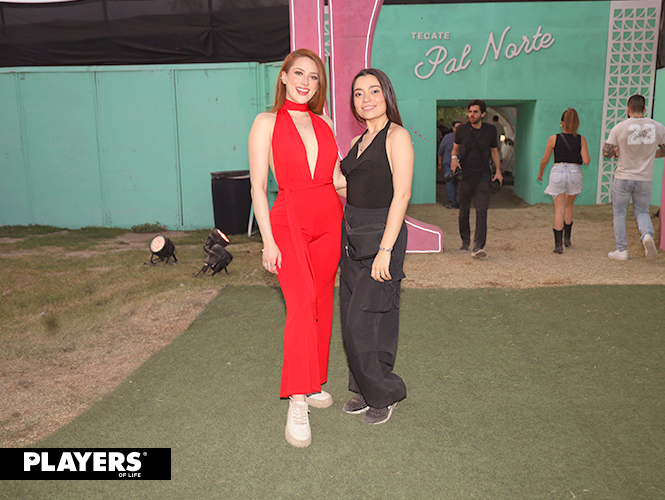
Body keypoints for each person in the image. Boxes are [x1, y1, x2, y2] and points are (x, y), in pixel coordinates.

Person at [248, 48, 346, 448]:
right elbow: (258, 187)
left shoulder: (325, 123)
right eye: (299, 73)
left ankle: (314, 380)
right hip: (288, 220)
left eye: (314, 77)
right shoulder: (266, 122)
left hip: (330, 219)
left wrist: (378, 184)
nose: (306, 82)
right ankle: (298, 399)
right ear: (284, 77)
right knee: (302, 302)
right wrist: (268, 241)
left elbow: (337, 180)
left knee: (321, 301)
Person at [339, 68, 414, 425]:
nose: (366, 99)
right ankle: (365, 388)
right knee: (353, 316)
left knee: (364, 319)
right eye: (358, 93)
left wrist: (385, 250)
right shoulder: (360, 140)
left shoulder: (396, 135)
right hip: (352, 232)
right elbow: (348, 186)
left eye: (373, 91)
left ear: (387, 95)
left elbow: (402, 194)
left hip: (382, 233)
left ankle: (385, 392)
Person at [603, 94, 665, 261]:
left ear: (628, 110)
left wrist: (617, 151)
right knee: (642, 211)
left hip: (623, 177)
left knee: (619, 214)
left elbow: (606, 152)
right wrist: (652, 154)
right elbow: (664, 149)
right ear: (644, 109)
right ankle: (647, 236)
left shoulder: (619, 127)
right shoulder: (658, 127)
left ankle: (621, 250)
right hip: (645, 178)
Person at [451, 100, 503, 258]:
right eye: (470, 112)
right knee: (463, 210)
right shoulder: (461, 129)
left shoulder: (490, 130)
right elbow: (455, 149)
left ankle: (478, 246)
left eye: (475, 112)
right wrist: (454, 159)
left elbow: (494, 151)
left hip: (483, 175)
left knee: (482, 210)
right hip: (465, 175)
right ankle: (465, 241)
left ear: (483, 114)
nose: (471, 115)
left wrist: (498, 171)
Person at [538, 108, 591, 253]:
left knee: (559, 209)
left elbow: (544, 159)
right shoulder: (581, 139)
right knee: (569, 206)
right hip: (574, 173)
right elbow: (586, 161)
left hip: (558, 172)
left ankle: (558, 246)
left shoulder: (553, 138)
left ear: (561, 123)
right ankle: (567, 239)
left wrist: (540, 172)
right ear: (577, 124)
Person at [437, 120, 461, 208]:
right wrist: (440, 164)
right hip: (448, 163)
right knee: (449, 182)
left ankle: (458, 202)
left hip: (461, 164)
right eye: (457, 127)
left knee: (459, 183)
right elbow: (440, 152)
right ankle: (451, 202)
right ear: (453, 128)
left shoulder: (466, 137)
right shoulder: (447, 138)